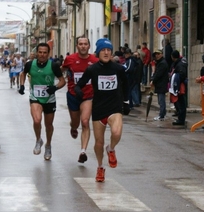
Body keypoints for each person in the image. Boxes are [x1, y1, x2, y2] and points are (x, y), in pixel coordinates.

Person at [73, 38, 129, 183]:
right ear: (98, 52)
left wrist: (126, 101)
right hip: (98, 108)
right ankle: (100, 167)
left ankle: (111, 149)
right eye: (103, 50)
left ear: (111, 53)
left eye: (108, 50)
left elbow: (126, 84)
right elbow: (79, 84)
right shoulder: (92, 69)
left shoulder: (118, 68)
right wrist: (79, 91)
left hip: (115, 107)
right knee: (98, 142)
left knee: (116, 133)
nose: (106, 52)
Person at [19, 43, 66, 160]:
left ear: (48, 53)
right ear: (36, 53)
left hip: (49, 98)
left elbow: (62, 81)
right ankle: (38, 140)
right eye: (40, 52)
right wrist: (21, 85)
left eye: (45, 52)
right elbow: (23, 73)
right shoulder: (30, 64)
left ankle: (48, 145)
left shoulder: (54, 65)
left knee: (48, 125)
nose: (42, 54)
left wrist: (55, 88)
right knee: (37, 120)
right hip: (35, 97)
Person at [61, 36, 98, 163]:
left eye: (85, 44)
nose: (83, 46)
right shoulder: (70, 59)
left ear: (89, 46)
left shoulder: (95, 60)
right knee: (75, 122)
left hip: (87, 96)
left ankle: (83, 151)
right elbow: (62, 70)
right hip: (73, 95)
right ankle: (73, 127)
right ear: (77, 46)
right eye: (80, 44)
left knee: (86, 121)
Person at [170, 50, 188, 126]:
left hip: (180, 86)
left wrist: (176, 83)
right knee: (180, 103)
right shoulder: (179, 63)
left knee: (181, 103)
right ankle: (180, 118)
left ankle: (181, 119)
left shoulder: (179, 64)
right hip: (179, 85)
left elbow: (181, 74)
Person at [150, 49, 168, 121]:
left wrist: (153, 80)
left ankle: (161, 115)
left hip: (161, 84)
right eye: (156, 54)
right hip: (160, 84)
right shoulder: (159, 63)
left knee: (161, 100)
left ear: (161, 54)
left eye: (158, 54)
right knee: (160, 100)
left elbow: (158, 74)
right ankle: (162, 114)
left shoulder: (162, 63)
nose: (157, 55)